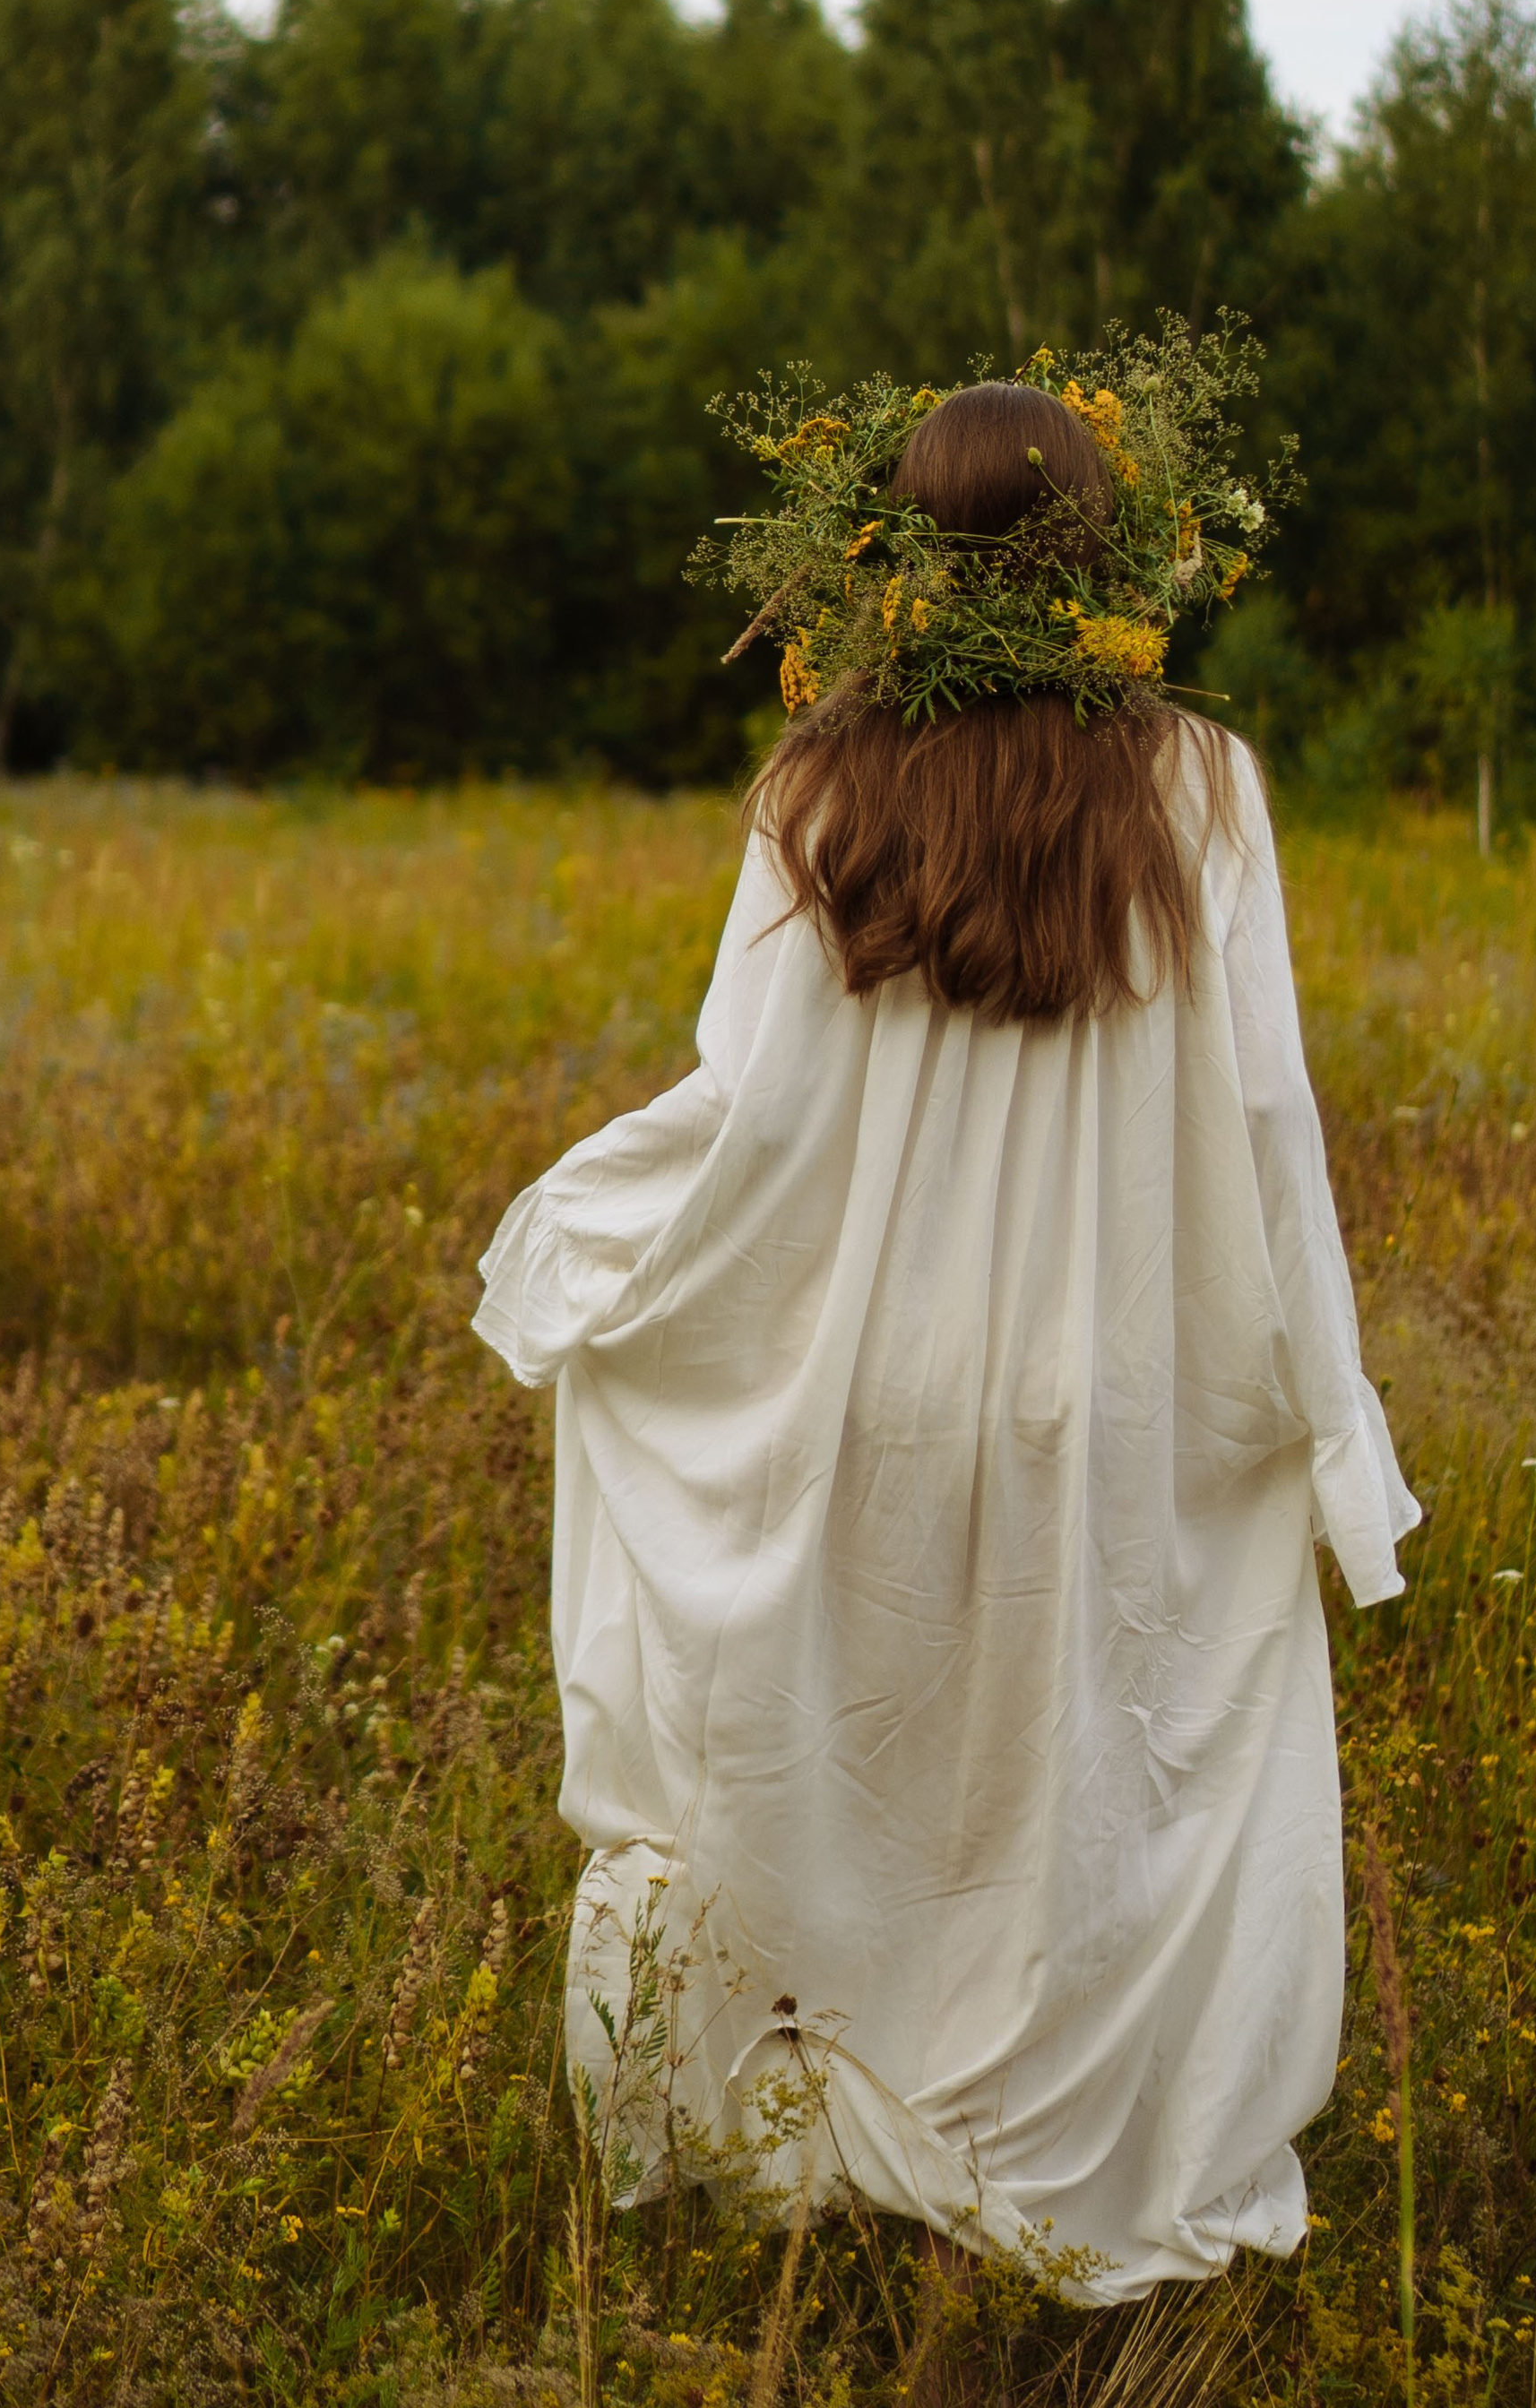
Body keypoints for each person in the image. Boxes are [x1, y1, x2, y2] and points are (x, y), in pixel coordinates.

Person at [474, 357, 1418, 2320]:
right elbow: (1261, 1121)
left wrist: (602, 1255)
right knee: (1066, 1782)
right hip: (1112, 1395)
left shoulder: (822, 781)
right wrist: (1323, 1420)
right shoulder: (1200, 787)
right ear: (1097, 554)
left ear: (901, 550)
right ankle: (1042, 2147)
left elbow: (749, 1117)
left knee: (876, 1765)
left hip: (871, 1395)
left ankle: (870, 2138)